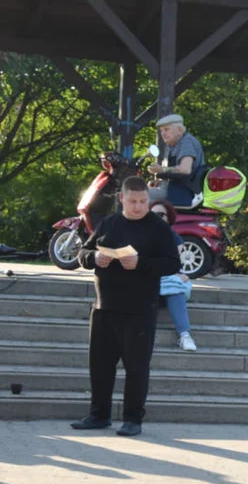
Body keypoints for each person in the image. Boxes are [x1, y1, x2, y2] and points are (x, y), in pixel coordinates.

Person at [71, 177, 181, 437]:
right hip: (104, 308)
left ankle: (133, 419)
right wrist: (95, 257)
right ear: (122, 199)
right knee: (100, 365)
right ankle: (99, 415)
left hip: (139, 310)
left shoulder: (158, 228)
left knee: (136, 367)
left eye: (143, 201)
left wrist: (141, 263)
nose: (138, 206)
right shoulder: (108, 223)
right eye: (133, 201)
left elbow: (172, 264)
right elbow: (83, 255)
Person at [150, 200, 197, 351]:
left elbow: (171, 263)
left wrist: (178, 274)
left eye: (160, 215)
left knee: (175, 286)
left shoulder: (174, 238)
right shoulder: (139, 235)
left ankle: (184, 335)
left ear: (168, 218)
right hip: (146, 289)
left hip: (164, 286)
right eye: (152, 214)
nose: (155, 217)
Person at [147, 114, 205, 208]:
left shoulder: (187, 142)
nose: (163, 133)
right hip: (173, 189)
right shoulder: (172, 145)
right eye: (161, 130)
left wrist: (161, 170)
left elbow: (185, 170)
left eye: (166, 129)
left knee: (135, 194)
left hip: (181, 192)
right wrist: (160, 181)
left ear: (179, 130)